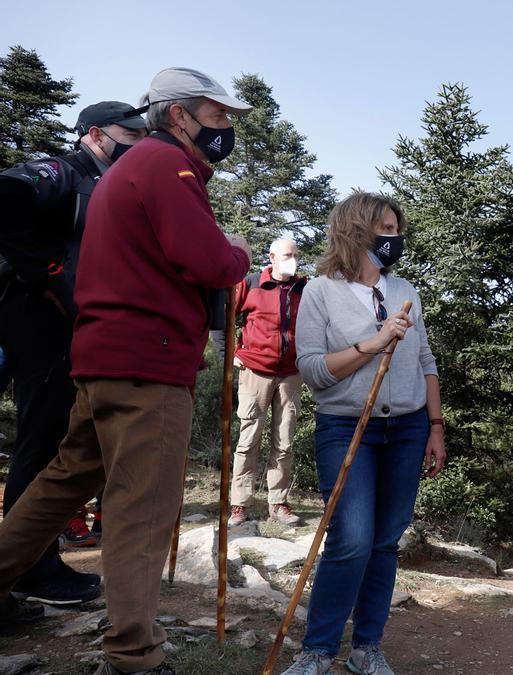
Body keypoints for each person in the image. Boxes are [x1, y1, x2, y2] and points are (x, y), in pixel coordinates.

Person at [0, 67, 252, 675]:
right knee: (143, 509)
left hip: (104, 355)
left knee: (61, 484)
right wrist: (240, 255)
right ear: (177, 115)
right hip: (149, 362)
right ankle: (135, 655)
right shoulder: (168, 167)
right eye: (216, 116)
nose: (225, 129)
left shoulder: (130, 169)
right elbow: (209, 258)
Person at [286, 192, 445, 675]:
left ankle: (366, 648)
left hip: (409, 427)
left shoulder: (406, 291)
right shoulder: (319, 291)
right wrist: (373, 344)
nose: (395, 239)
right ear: (355, 232)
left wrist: (435, 427)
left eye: (397, 230)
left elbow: (425, 362)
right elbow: (312, 370)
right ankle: (317, 650)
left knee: (384, 542)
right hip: (346, 426)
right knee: (351, 539)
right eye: (386, 231)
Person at [0, 101, 147, 603]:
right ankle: (30, 573)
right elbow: (8, 193)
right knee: (42, 445)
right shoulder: (65, 170)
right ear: (94, 134)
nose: (135, 139)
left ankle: (26, 569)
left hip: (74, 327)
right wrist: (47, 275)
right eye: (126, 131)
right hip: (41, 322)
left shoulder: (113, 185)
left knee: (54, 441)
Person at [211, 237, 308, 526]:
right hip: (254, 370)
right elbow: (222, 318)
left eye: (296, 255)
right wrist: (229, 357)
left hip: (291, 374)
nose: (293, 260)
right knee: (248, 439)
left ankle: (278, 503)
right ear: (272, 257)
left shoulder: (304, 289)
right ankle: (239, 504)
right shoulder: (252, 283)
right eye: (288, 255)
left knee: (285, 441)